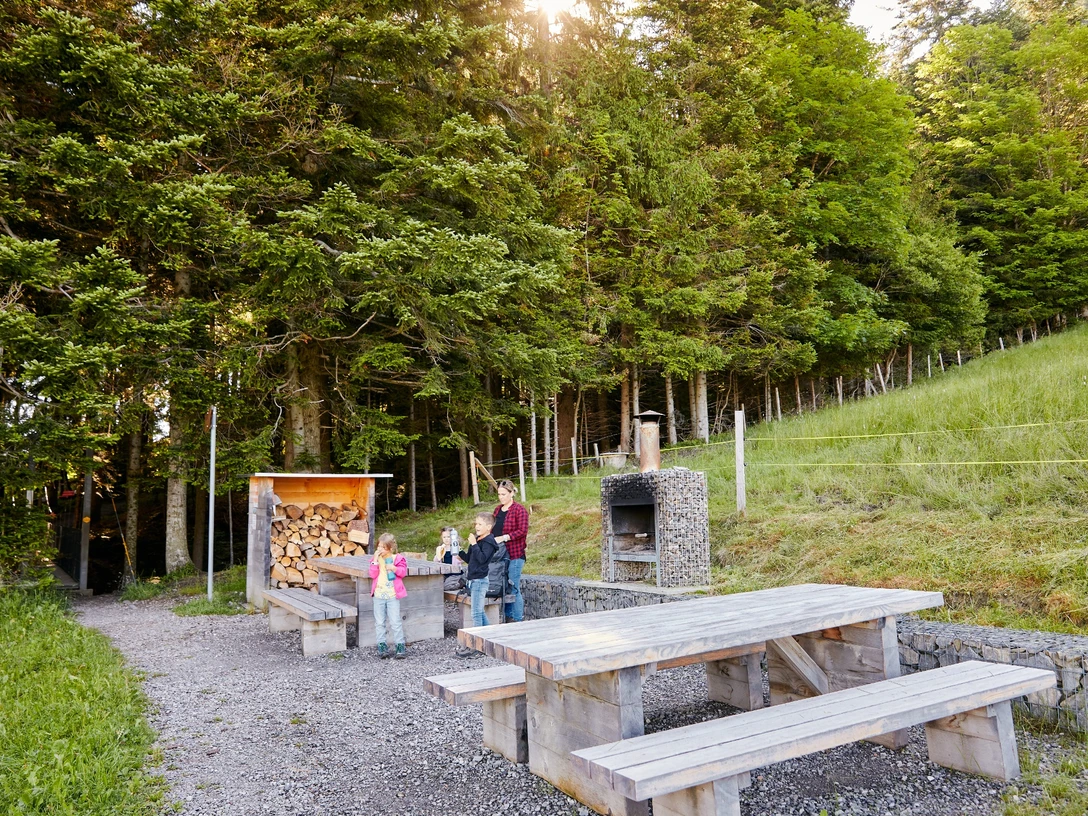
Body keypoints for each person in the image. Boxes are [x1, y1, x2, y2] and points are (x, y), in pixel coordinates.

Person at [454, 512, 497, 658]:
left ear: (488, 527)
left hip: (480, 580)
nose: (476, 526)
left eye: (479, 524)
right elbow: (472, 559)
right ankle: (491, 640)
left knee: (476, 613)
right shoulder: (478, 540)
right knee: (479, 611)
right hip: (473, 580)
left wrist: (473, 544)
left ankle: (478, 646)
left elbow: (482, 559)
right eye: (476, 523)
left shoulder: (489, 542)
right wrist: (458, 552)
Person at [492, 479, 528, 623]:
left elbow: (522, 531)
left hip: (515, 554)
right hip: (499, 555)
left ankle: (518, 620)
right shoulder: (497, 510)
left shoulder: (520, 510)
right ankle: (508, 619)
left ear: (512, 493)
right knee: (504, 588)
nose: (501, 497)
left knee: (514, 587)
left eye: (504, 494)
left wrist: (505, 537)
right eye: (499, 494)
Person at [369, 532, 408, 659]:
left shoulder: (398, 558)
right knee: (379, 622)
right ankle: (382, 645)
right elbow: (372, 575)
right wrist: (374, 561)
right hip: (378, 595)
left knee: (395, 621)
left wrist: (394, 568)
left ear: (390, 548)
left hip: (392, 595)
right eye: (378, 546)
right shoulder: (376, 559)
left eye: (383, 547)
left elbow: (403, 573)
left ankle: (400, 646)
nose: (380, 549)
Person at [433, 526, 465, 591]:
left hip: (455, 573)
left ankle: (461, 583)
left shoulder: (456, 547)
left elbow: (462, 559)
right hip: (445, 573)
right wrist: (438, 555)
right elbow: (436, 561)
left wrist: (458, 556)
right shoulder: (441, 549)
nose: (446, 539)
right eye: (444, 537)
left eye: (448, 537)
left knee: (446, 587)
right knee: (436, 585)